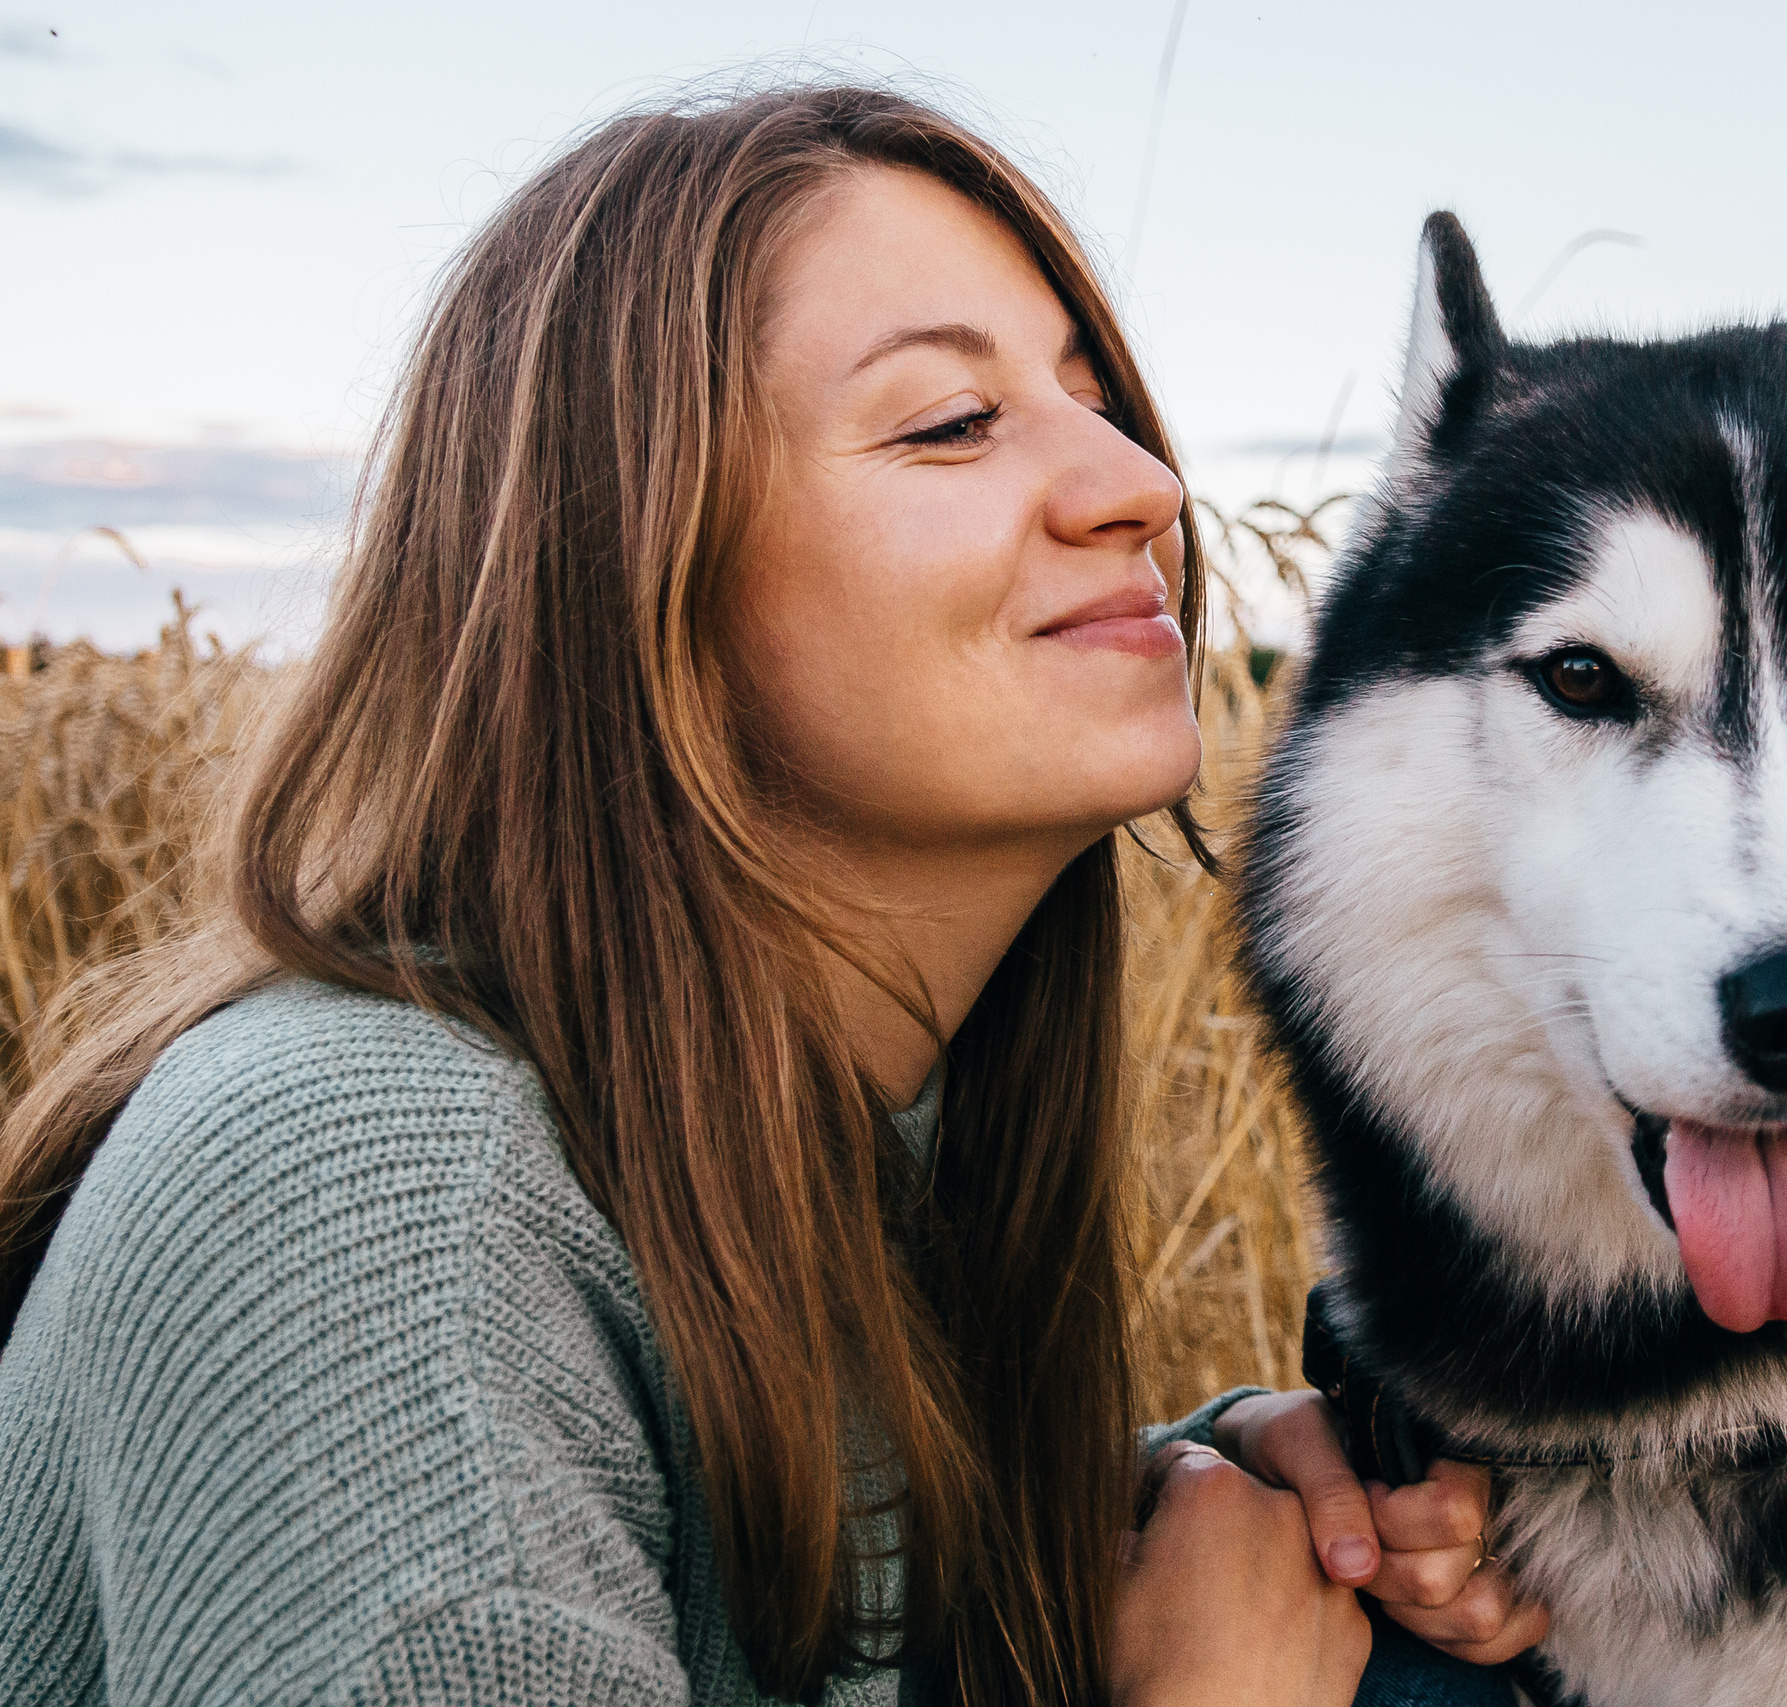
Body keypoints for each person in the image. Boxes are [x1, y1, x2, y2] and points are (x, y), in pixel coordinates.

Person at [0, 85, 1545, 1706]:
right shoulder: (368, 1196)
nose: (1142, 485)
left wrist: (1152, 1520)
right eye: (951, 422)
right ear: (630, 559)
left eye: (1099, 402)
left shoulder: (858, 1152)